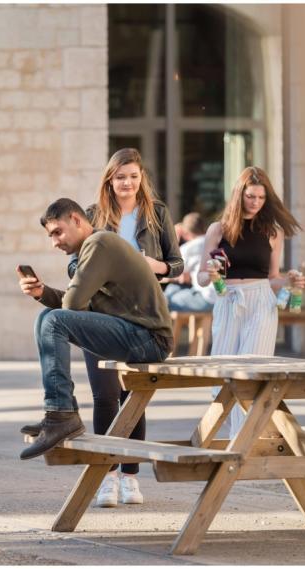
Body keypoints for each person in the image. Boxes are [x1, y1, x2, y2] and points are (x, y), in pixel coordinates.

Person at [16, 199, 172, 481]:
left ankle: (62, 414)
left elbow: (73, 305)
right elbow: (78, 307)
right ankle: (59, 413)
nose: (54, 242)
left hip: (149, 338)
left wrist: (66, 296)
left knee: (53, 320)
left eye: (57, 232)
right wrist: (42, 293)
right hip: (135, 333)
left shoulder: (99, 243)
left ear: (76, 220)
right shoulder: (94, 247)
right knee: (46, 317)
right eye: (50, 236)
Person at [63, 148, 182, 507]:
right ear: (109, 180)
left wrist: (151, 265)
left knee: (133, 397)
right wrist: (97, 271)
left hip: (142, 317)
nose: (127, 183)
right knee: (104, 395)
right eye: (120, 177)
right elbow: (73, 264)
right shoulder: (92, 215)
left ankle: (130, 476)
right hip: (100, 315)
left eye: (132, 176)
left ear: (141, 178)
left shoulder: (157, 214)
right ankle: (107, 476)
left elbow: (176, 265)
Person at [196, 167, 305, 434]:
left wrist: (289, 282)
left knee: (253, 371)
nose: (256, 202)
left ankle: (242, 441)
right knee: (224, 376)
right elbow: (200, 277)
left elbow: (272, 278)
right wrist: (211, 273)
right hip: (228, 300)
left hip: (261, 303)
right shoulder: (218, 229)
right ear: (239, 195)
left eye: (261, 198)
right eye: (250, 196)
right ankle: (240, 437)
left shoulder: (272, 232)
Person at [164, 212, 215, 313]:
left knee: (165, 301)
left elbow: (168, 271)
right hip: (221, 297)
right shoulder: (214, 242)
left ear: (185, 233)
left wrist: (173, 239)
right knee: (173, 288)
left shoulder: (188, 248)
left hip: (206, 299)